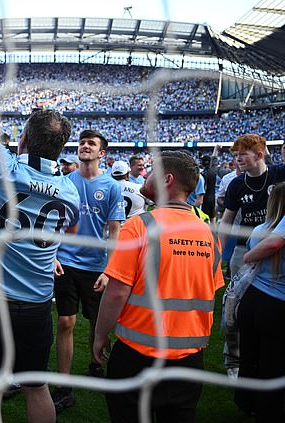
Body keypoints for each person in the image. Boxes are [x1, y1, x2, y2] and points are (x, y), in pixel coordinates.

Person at [0, 26, 80, 423]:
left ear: (24, 138)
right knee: (37, 386)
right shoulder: (71, 192)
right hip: (35, 305)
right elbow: (63, 234)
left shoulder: (2, 167)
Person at [93, 150, 224, 423]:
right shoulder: (209, 232)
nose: (146, 175)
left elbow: (116, 292)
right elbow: (207, 290)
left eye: (151, 171)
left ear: (166, 179)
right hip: (189, 360)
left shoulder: (140, 226)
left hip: (138, 355)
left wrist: (100, 335)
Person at [52, 129, 124, 412]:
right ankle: (63, 385)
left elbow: (115, 230)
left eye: (91, 144)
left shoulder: (112, 186)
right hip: (66, 262)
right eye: (82, 143)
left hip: (96, 266)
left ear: (101, 153)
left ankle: (95, 364)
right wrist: (53, 254)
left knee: (97, 322)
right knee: (65, 322)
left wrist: (110, 268)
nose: (84, 146)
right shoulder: (64, 181)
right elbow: (54, 222)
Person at [219, 134, 285, 376]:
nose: (237, 160)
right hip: (244, 250)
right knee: (235, 307)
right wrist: (217, 256)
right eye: (235, 156)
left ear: (259, 155)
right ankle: (234, 362)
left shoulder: (279, 174)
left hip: (279, 249)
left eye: (242, 155)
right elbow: (227, 221)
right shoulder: (237, 184)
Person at [235, 182, 285, 421]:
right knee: (273, 362)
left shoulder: (259, 230)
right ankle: (267, 410)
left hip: (252, 298)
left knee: (249, 354)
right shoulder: (272, 234)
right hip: (276, 304)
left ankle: (246, 402)